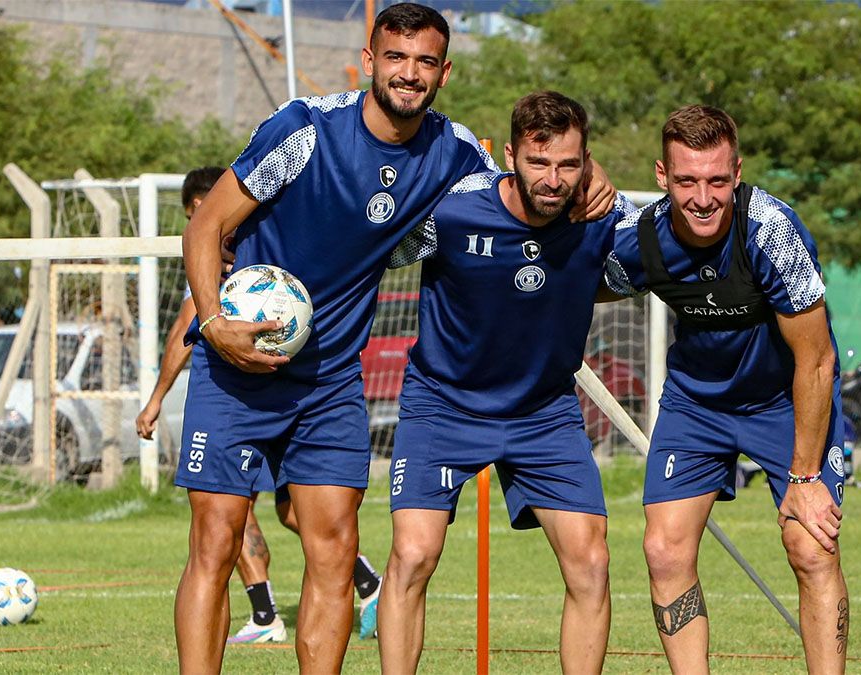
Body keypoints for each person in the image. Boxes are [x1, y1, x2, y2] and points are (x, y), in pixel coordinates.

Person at [175, 4, 613, 671]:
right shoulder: (305, 130)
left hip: (329, 381)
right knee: (216, 536)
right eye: (397, 57)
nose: (409, 74)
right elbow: (205, 225)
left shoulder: (454, 152)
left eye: (425, 61)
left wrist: (593, 172)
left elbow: (529, 174)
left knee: (333, 548)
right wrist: (213, 322)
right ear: (371, 57)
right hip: (237, 364)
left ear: (444, 71)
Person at [377, 90, 633, 675]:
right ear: (512, 155)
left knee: (590, 564)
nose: (553, 178)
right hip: (442, 404)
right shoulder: (453, 210)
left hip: (543, 413)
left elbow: (661, 254)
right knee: (413, 556)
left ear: (587, 161)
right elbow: (371, 246)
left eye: (569, 164)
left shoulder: (602, 220)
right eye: (539, 163)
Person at [603, 105, 849, 674]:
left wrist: (806, 479)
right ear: (663, 178)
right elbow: (584, 284)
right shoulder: (645, 238)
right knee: (664, 551)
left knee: (810, 549)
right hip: (698, 403)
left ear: (736, 173)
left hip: (786, 401)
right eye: (687, 180)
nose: (704, 197)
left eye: (717, 180)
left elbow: (816, 361)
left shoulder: (772, 232)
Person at [135, 168, 385, 645]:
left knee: (273, 520)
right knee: (252, 521)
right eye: (194, 218)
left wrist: (154, 400)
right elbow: (192, 324)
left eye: (203, 213)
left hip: (304, 390)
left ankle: (292, 606)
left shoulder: (255, 255)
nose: (205, 226)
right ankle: (298, 603)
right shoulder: (218, 265)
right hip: (245, 392)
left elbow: (181, 334)